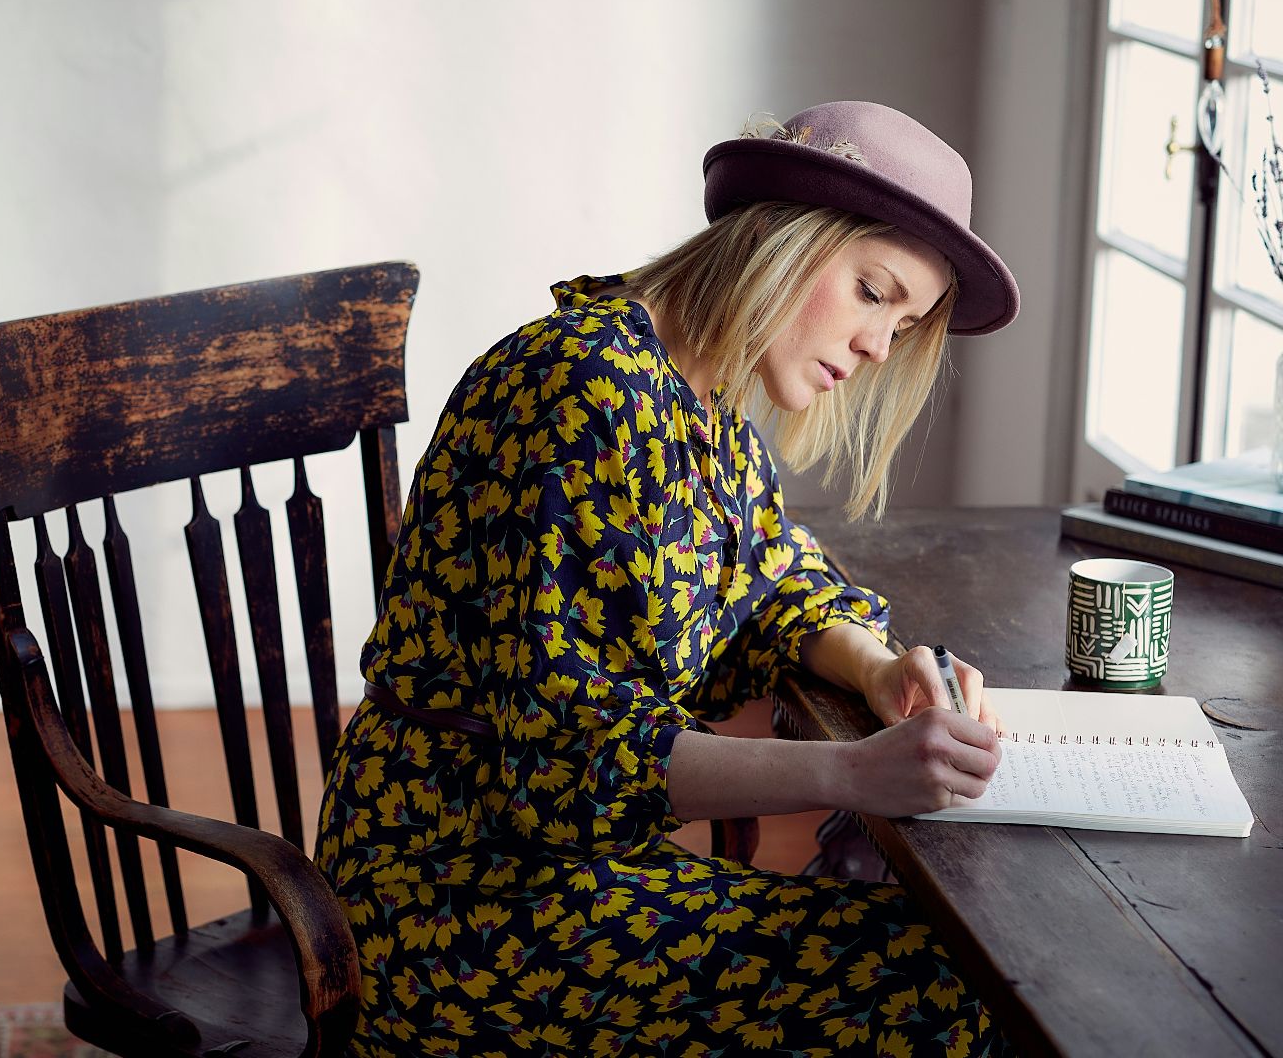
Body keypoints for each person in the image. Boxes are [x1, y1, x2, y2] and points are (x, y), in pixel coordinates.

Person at [313, 100, 1022, 1056]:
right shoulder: (583, 390)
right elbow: (567, 768)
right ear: (780, 231)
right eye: (871, 291)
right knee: (944, 988)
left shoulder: (702, 393)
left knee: (947, 967)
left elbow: (773, 579)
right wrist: (850, 771)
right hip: (456, 903)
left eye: (905, 323)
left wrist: (874, 666)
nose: (876, 349)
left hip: (564, 874)